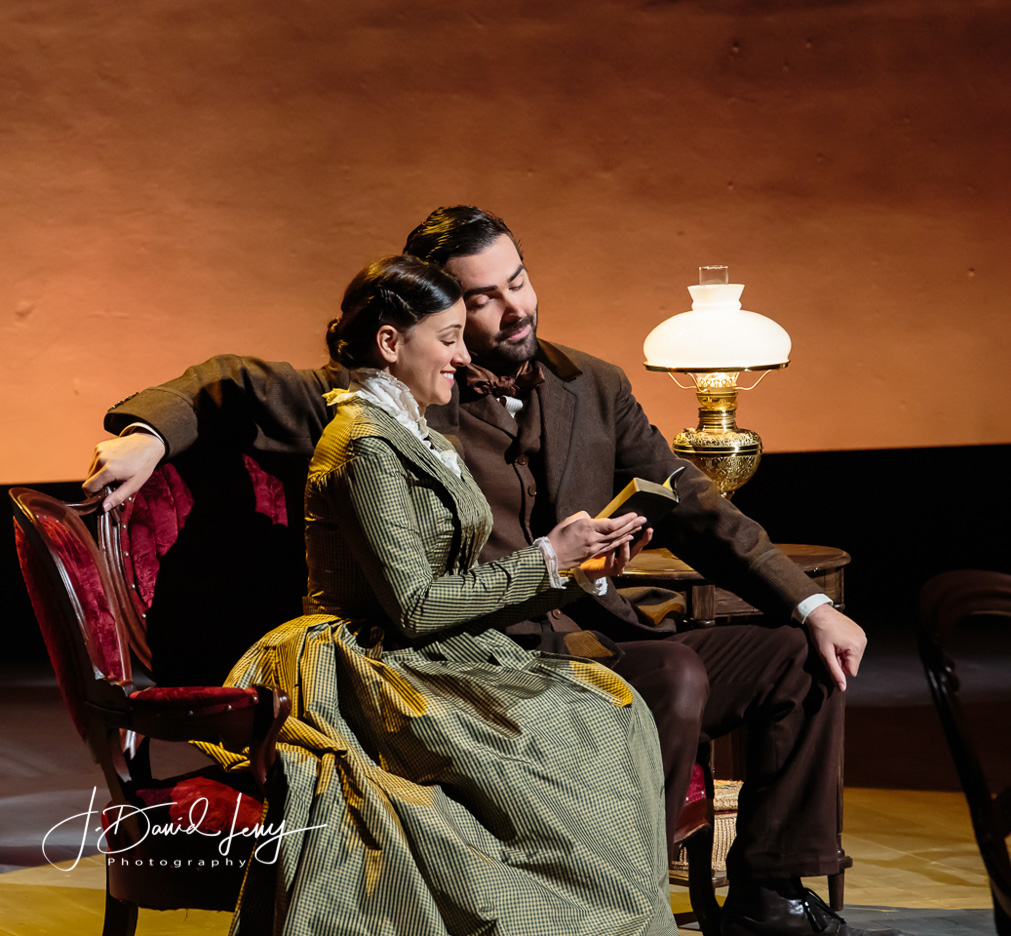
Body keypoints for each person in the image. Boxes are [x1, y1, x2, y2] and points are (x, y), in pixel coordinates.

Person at [85, 208, 904, 936]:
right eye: (482, 298)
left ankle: (770, 893)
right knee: (673, 676)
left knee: (797, 657)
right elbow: (226, 383)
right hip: (479, 660)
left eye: (518, 281)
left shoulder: (593, 385)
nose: (515, 308)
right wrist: (145, 436)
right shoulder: (388, 396)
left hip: (595, 631)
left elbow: (691, 500)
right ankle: (617, 907)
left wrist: (808, 605)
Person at [197, 254, 675, 936]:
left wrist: (578, 569)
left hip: (432, 652)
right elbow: (416, 605)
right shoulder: (363, 444)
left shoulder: (411, 431)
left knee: (608, 711)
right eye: (448, 339)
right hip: (370, 664)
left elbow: (452, 588)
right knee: (561, 742)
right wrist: (547, 558)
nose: (462, 356)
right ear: (391, 343)